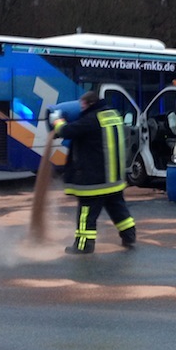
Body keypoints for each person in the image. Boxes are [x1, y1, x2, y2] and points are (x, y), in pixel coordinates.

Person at [52, 90, 137, 254]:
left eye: (82, 104)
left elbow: (66, 131)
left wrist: (57, 121)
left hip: (95, 180)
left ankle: (84, 246)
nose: (81, 107)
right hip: (114, 178)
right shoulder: (112, 114)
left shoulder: (91, 119)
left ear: (90, 104)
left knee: (86, 214)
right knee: (118, 209)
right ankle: (129, 237)